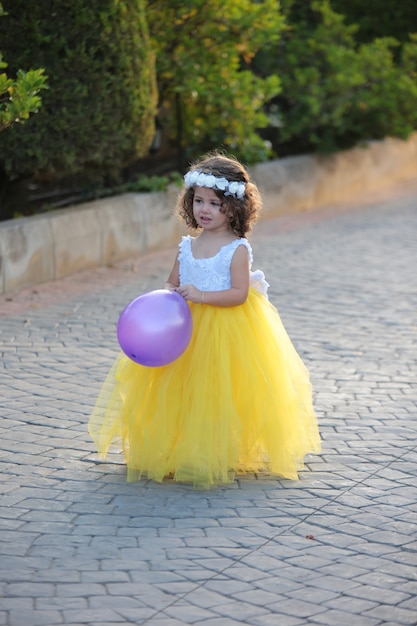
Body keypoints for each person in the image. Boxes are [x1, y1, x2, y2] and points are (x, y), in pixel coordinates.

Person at [89, 152, 321, 489]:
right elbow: (172, 281)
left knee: (215, 390)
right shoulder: (187, 246)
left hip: (223, 328)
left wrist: (202, 296)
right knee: (180, 390)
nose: (205, 209)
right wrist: (165, 299)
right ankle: (176, 447)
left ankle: (211, 452)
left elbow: (240, 293)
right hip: (183, 329)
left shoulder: (236, 249)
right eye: (198, 201)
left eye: (215, 203)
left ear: (235, 208)